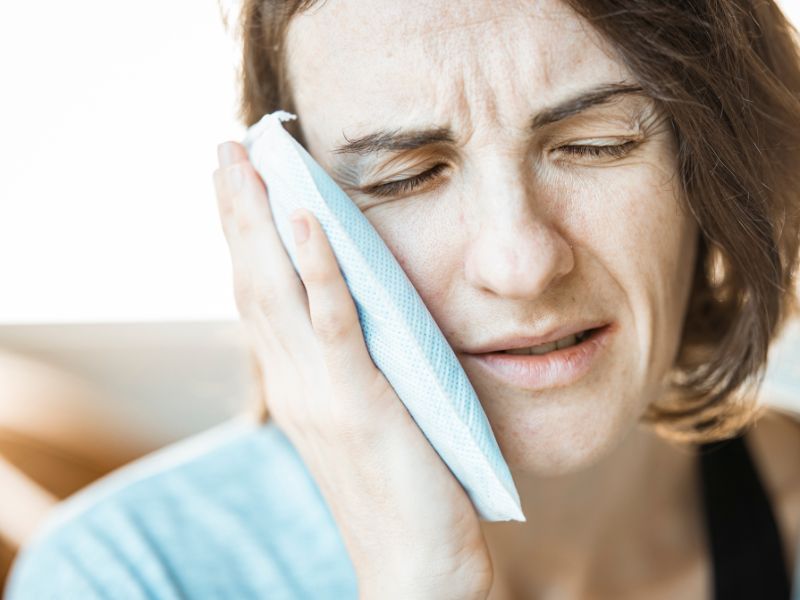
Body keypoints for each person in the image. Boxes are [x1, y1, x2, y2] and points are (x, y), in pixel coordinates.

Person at [5, 0, 800, 598]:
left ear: (715, 164)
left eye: (598, 143)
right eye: (406, 176)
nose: (520, 263)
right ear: (288, 210)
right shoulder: (125, 577)